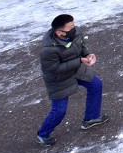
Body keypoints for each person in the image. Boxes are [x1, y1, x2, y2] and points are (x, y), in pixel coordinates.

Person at [36, 14, 109, 146]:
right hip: (59, 79)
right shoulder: (48, 50)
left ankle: (91, 118)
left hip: (76, 69)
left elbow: (81, 45)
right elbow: (55, 68)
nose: (74, 28)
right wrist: (80, 61)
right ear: (59, 32)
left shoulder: (73, 33)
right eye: (70, 27)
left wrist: (87, 54)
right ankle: (43, 134)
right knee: (59, 111)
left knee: (96, 85)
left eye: (73, 25)